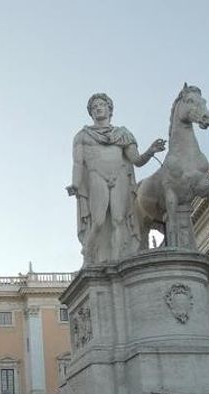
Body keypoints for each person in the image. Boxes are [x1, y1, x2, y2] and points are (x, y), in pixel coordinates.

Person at [67, 93, 165, 265]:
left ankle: (117, 261)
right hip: (96, 175)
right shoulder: (83, 136)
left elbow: (137, 160)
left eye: (101, 105)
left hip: (120, 175)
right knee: (97, 221)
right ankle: (88, 256)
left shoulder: (123, 134)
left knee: (119, 220)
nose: (98, 108)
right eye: (94, 107)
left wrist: (151, 151)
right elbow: (78, 163)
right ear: (91, 112)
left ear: (109, 109)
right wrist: (75, 184)